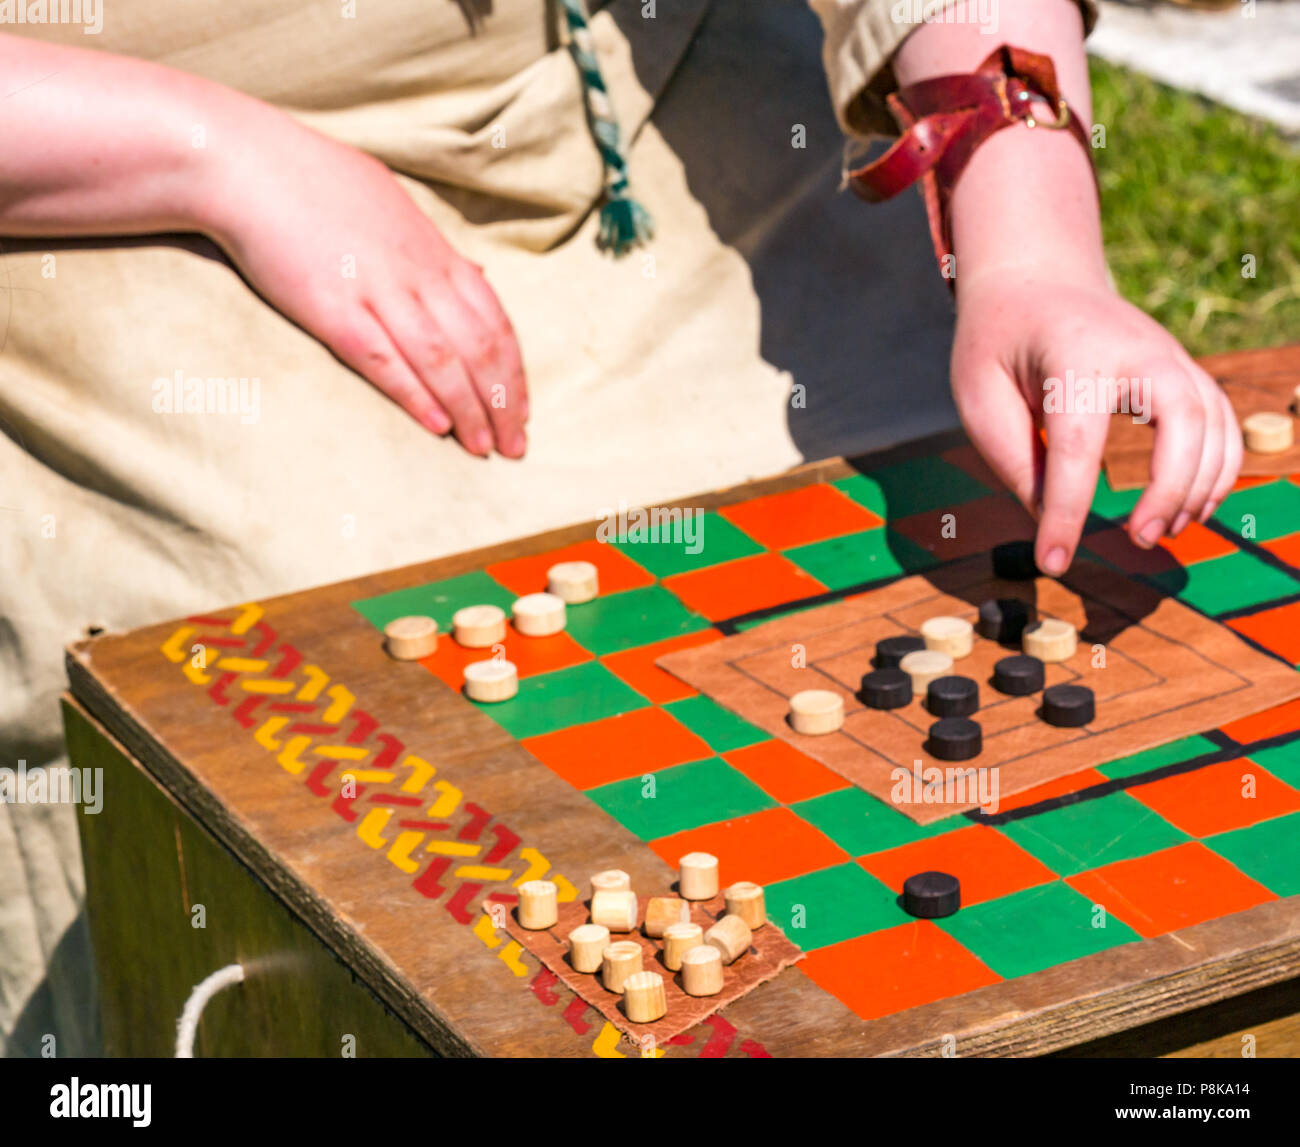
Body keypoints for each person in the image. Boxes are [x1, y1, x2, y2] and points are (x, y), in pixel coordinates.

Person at [0, 0, 1240, 1056]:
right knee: (325, 653)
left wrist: (1032, 243)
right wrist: (213, 153)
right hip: (106, 145)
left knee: (938, 505)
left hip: (665, 86)